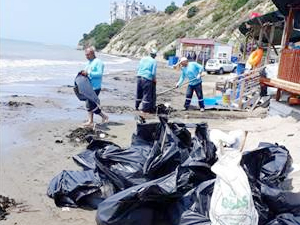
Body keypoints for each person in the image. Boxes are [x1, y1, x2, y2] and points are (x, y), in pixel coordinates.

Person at [79, 46, 108, 127]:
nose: (86, 56)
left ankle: (104, 116)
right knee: (88, 104)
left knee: (91, 105)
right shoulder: (89, 62)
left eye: (88, 55)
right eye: (85, 55)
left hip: (95, 87)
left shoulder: (98, 62)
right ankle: (90, 121)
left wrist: (88, 73)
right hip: (88, 87)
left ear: (92, 53)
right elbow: (86, 72)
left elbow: (99, 74)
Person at [135, 48, 157, 113]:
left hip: (139, 77)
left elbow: (138, 68)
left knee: (139, 92)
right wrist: (154, 80)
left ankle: (136, 106)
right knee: (146, 94)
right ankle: (144, 109)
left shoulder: (143, 59)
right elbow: (153, 73)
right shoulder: (154, 61)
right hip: (147, 79)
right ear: (154, 55)